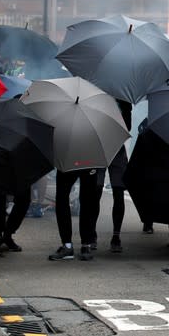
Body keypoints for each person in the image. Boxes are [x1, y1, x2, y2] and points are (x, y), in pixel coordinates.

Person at [48, 167, 104, 261]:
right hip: (89, 159)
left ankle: (68, 246)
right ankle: (85, 246)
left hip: (70, 159)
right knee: (87, 199)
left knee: (63, 197)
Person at [98, 99, 132, 253]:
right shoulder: (98, 96)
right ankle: (90, 235)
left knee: (118, 193)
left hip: (116, 148)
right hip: (99, 147)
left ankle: (116, 236)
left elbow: (127, 128)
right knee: (95, 191)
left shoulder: (124, 100)